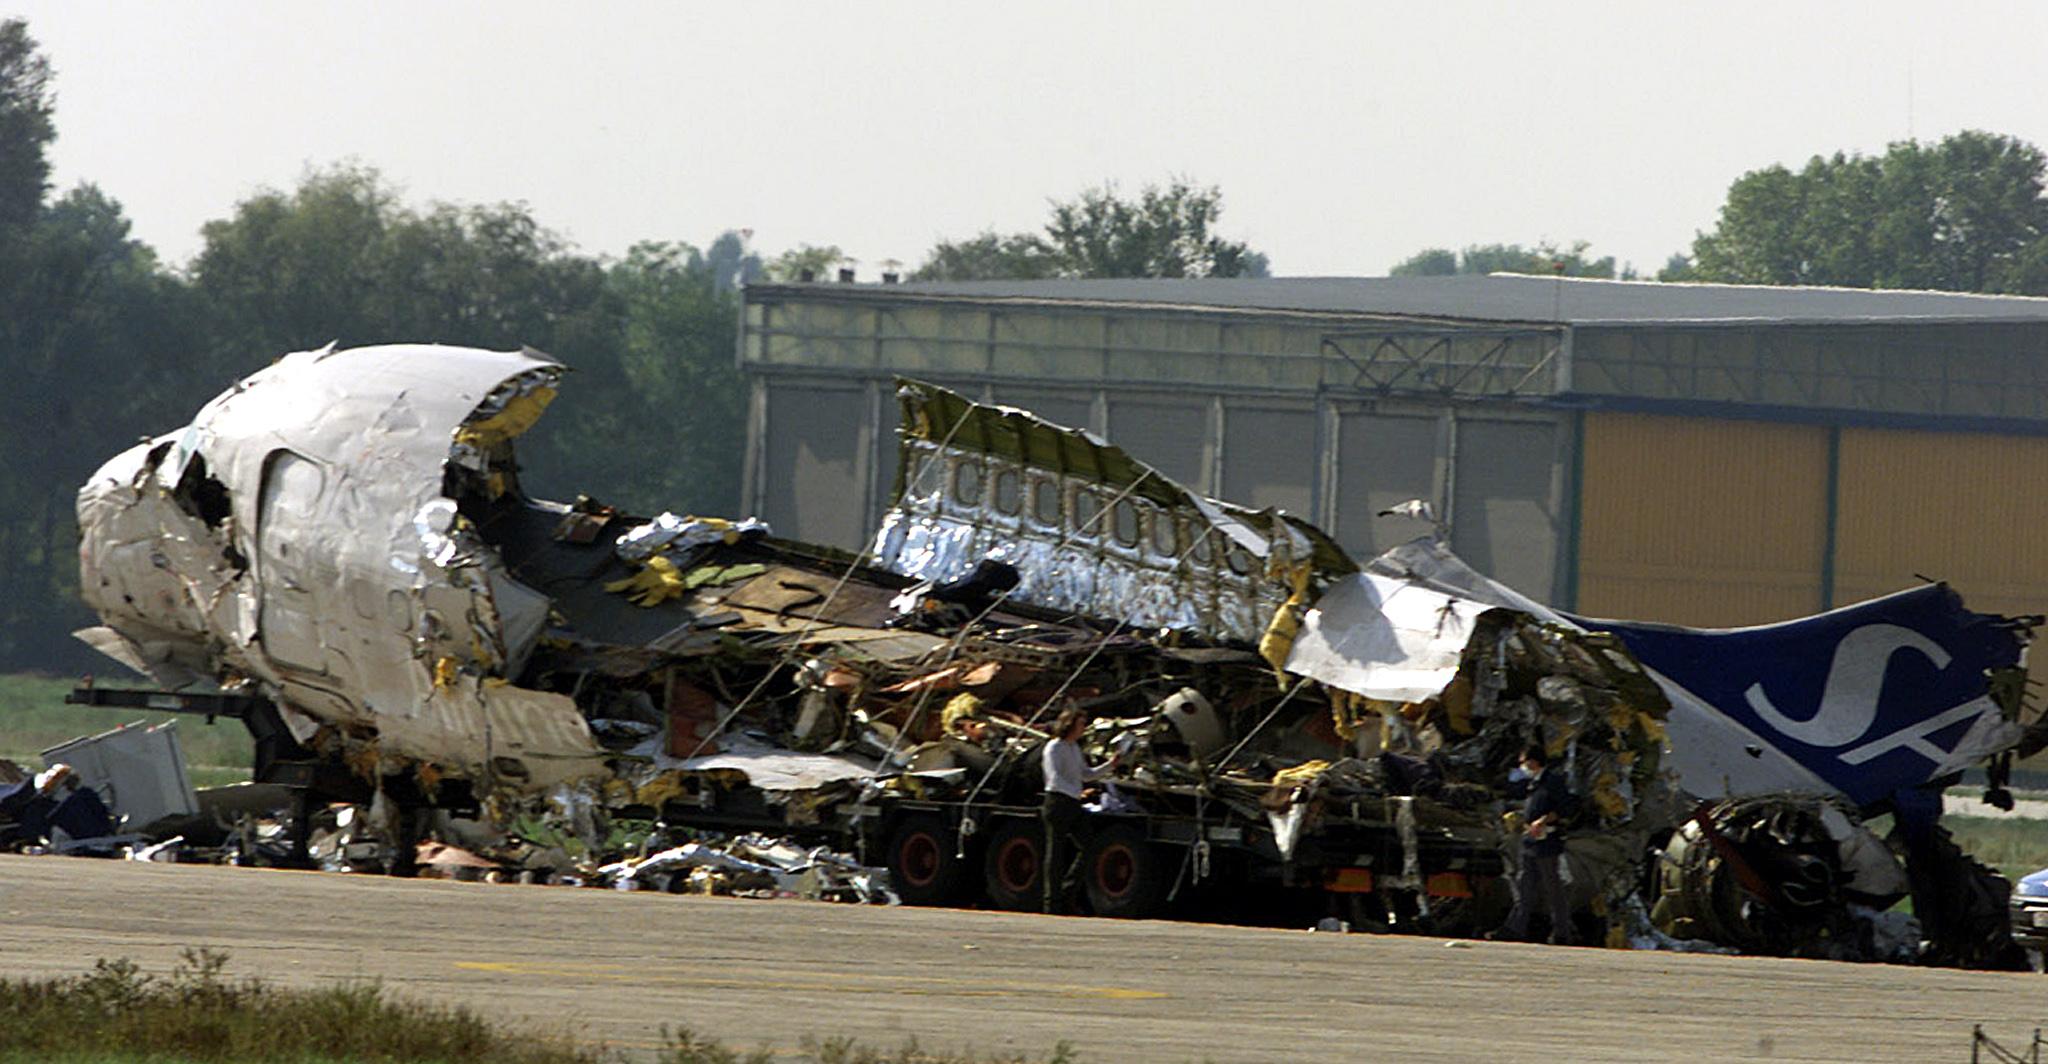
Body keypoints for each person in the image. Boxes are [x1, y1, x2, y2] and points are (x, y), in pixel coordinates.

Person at [1494, 744, 1576, 945]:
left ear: (1533, 761)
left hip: (1547, 842)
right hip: (1530, 842)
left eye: (1524, 762)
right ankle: (1515, 928)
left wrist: (1544, 820)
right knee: (1525, 887)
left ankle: (1561, 933)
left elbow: (1567, 807)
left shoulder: (1552, 782)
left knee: (1553, 888)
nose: (1522, 766)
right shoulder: (1533, 784)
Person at [1040, 704, 1116, 914]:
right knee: (1054, 854)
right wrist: (1075, 792)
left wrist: (1110, 765)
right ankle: (1051, 903)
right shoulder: (1054, 747)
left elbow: (1085, 774)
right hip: (1057, 802)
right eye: (1081, 724)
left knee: (1089, 846)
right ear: (1070, 724)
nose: (1084, 728)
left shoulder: (1075, 748)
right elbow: (1054, 779)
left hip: (1072, 802)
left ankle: (1067, 892)